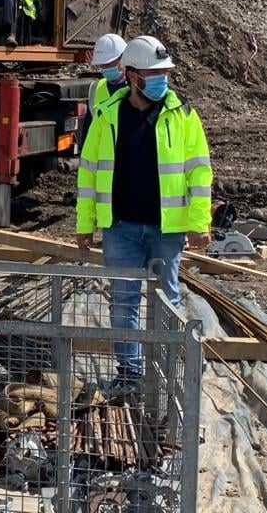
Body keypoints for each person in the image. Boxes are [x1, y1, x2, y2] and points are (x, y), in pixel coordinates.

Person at [76, 35, 212, 384]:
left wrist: (199, 223)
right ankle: (131, 375)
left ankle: (162, 377)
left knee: (166, 303)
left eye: (164, 73)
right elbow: (88, 172)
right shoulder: (107, 115)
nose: (161, 80)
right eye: (154, 74)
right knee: (123, 303)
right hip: (120, 228)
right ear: (132, 75)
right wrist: (84, 224)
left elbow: (199, 172)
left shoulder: (182, 115)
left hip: (167, 230)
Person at [87, 33, 129, 115]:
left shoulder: (136, 88)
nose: (105, 67)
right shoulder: (95, 88)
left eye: (108, 63)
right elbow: (90, 120)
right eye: (102, 64)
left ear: (123, 58)